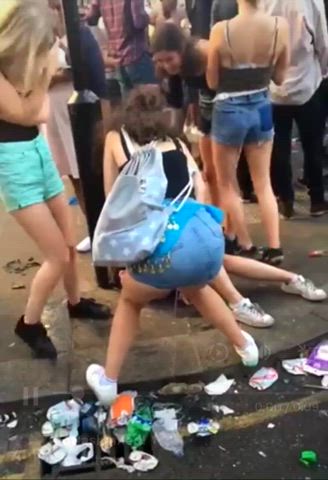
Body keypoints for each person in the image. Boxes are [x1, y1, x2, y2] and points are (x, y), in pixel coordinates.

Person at [86, 85, 259, 406]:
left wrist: (124, 263)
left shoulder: (116, 139)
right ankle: (246, 348)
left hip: (164, 246)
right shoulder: (177, 142)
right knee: (198, 288)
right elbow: (200, 187)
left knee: (130, 301)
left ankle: (108, 381)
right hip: (205, 239)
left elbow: (116, 201)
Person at [0, 0, 110, 360]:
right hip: (14, 165)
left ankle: (75, 301)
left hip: (37, 152)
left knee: (67, 240)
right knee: (55, 255)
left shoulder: (25, 71)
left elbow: (38, 115)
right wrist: (44, 77)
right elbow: (32, 112)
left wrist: (37, 85)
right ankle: (29, 323)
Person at [207, 0, 289, 265]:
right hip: (262, 105)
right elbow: (280, 77)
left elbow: (212, 81)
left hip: (229, 108)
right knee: (263, 182)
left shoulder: (221, 30)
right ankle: (275, 248)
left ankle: (245, 243)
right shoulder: (280, 26)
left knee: (227, 182)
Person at [47, 0, 108, 254]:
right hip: (53, 111)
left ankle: (103, 228)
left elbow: (94, 76)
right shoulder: (42, 37)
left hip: (77, 109)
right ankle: (93, 227)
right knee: (73, 174)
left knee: (90, 172)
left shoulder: (80, 35)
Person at [261, 0, 328, 219]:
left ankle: (285, 200)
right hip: (307, 81)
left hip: (274, 84)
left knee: (279, 146)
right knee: (312, 144)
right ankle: (317, 199)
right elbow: (322, 39)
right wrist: (324, 68)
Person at [86, 0, 157, 95]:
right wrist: (151, 17)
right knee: (151, 100)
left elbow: (91, 18)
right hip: (137, 54)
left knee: (129, 104)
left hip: (117, 59)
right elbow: (138, 21)